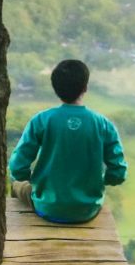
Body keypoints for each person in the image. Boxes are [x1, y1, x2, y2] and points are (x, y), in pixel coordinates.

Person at [9, 59, 127, 224]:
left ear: (55, 88)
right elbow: (118, 173)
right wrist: (97, 180)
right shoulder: (103, 125)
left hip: (46, 207)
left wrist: (33, 182)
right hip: (88, 210)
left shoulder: (41, 120)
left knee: (16, 185)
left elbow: (17, 167)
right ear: (85, 87)